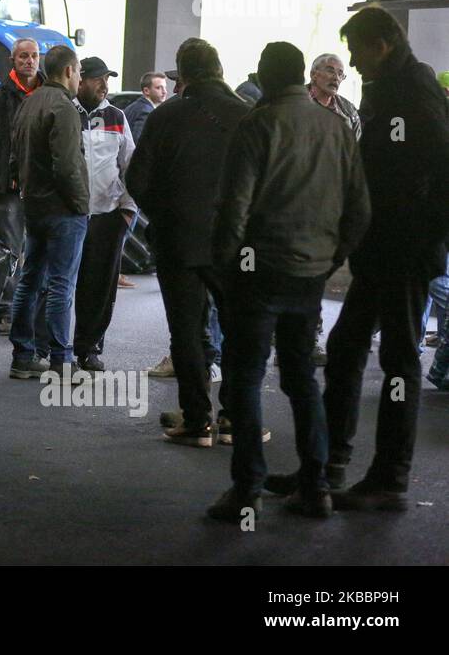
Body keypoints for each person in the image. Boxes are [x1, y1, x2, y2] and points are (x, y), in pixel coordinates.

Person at [206, 42, 370, 523]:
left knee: (247, 379)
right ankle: (315, 486)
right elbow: (360, 211)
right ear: (303, 75)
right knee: (302, 378)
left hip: (259, 273)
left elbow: (235, 207)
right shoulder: (338, 128)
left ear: (265, 76)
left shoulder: (258, 124)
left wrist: (224, 265)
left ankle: (247, 489)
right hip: (310, 274)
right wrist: (330, 256)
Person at [320, 7, 449, 512]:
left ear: (384, 44)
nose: (351, 60)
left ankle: (385, 474)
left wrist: (422, 239)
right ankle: (334, 463)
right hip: (387, 249)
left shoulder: (413, 94)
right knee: (352, 346)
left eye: (357, 49)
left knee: (395, 359)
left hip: (403, 251)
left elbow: (439, 171)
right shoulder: (393, 92)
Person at [127, 41, 249, 445]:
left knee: (186, 330)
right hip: (233, 242)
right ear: (218, 68)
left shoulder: (166, 116)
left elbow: (137, 179)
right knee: (237, 328)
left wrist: (166, 213)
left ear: (184, 74)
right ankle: (235, 418)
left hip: (178, 240)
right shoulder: (245, 116)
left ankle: (197, 421)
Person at [5, 45, 87, 379]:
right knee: (61, 286)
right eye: (79, 71)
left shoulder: (29, 102)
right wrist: (81, 204)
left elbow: (14, 157)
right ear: (68, 71)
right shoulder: (63, 107)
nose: (80, 78)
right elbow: (67, 166)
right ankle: (61, 360)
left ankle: (23, 356)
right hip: (62, 210)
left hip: (34, 207)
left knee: (29, 281)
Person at [70, 57, 136, 370]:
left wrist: (127, 211)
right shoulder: (66, 112)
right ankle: (47, 349)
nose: (104, 85)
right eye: (98, 78)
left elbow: (130, 166)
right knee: (59, 284)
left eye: (107, 79)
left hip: (107, 217)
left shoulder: (116, 116)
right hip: (69, 215)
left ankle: (89, 348)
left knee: (99, 288)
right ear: (79, 80)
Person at [0, 37, 41, 324]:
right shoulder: (0, 96)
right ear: (13, 61)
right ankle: (8, 308)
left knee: (36, 249)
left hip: (40, 187)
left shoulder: (48, 93)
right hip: (10, 187)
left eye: (34, 56)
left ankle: (28, 308)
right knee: (11, 249)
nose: (29, 61)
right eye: (23, 56)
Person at [125, 71, 167, 140]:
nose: (164, 91)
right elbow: (138, 141)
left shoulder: (133, 106)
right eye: (158, 88)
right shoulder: (146, 112)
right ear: (146, 91)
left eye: (165, 87)